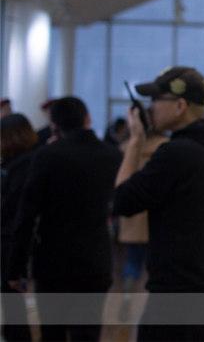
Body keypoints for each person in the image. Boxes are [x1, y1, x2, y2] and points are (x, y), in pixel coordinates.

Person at [112, 67, 204, 341]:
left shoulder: (177, 153)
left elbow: (122, 200)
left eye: (156, 100)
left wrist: (136, 140)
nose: (150, 108)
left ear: (180, 106)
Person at [8, 97, 122, 341]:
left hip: (53, 260)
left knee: (53, 332)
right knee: (88, 333)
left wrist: (16, 266)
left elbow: (27, 215)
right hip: (96, 258)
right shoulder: (112, 155)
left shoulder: (47, 156)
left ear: (54, 125)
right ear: (87, 119)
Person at [116, 120, 168, 321]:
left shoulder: (127, 148)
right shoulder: (167, 149)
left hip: (133, 214)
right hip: (157, 215)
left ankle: (128, 299)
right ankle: (152, 307)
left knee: (132, 262)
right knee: (157, 266)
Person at [1, 114, 38, 342]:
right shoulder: (31, 162)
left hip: (10, 240)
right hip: (14, 239)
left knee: (12, 305)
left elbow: (10, 207)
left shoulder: (17, 167)